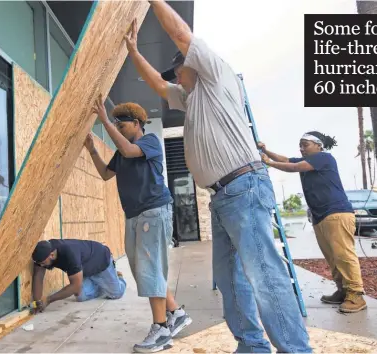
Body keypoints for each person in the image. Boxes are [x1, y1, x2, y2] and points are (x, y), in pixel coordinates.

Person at [123, 1, 312, 352]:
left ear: (192, 65)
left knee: (265, 278)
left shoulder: (214, 74)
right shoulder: (191, 97)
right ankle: (252, 346)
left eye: (178, 70)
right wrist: (133, 51)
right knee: (231, 281)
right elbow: (158, 86)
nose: (175, 78)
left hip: (244, 188)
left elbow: (181, 35)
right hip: (224, 197)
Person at [85, 96, 192, 353]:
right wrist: (91, 148)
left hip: (153, 212)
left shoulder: (149, 142)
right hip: (134, 215)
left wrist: (104, 121)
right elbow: (104, 174)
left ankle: (161, 328)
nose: (118, 129)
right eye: (116, 126)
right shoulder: (122, 153)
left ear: (136, 123)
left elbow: (129, 150)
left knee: (149, 268)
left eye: (121, 126)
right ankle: (175, 313)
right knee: (146, 268)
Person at [259, 132, 367, 313]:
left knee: (344, 256)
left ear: (319, 145)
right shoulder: (308, 160)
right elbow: (286, 160)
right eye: (300, 145)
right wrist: (266, 151)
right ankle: (343, 291)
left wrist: (268, 163)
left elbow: (294, 167)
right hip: (321, 216)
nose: (301, 148)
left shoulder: (323, 158)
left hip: (337, 213)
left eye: (305, 144)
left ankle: (356, 295)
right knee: (332, 258)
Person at [31, 239, 126, 311]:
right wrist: (37, 302)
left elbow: (75, 287)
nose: (41, 266)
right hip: (85, 270)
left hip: (102, 263)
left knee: (115, 294)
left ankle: (119, 277)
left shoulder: (70, 254)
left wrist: (48, 300)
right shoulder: (44, 252)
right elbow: (38, 275)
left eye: (42, 263)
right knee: (81, 297)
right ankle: (101, 283)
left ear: (51, 255)